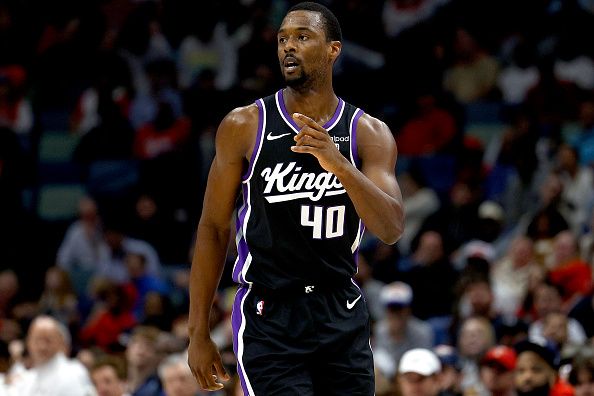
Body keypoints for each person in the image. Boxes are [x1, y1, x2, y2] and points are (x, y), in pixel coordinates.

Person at [187, 2, 404, 395]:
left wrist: (339, 164)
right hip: (270, 314)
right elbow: (214, 228)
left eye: (303, 37)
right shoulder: (244, 125)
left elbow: (390, 228)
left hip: (340, 309)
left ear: (333, 50)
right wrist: (198, 332)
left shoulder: (368, 132)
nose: (289, 46)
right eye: (283, 39)